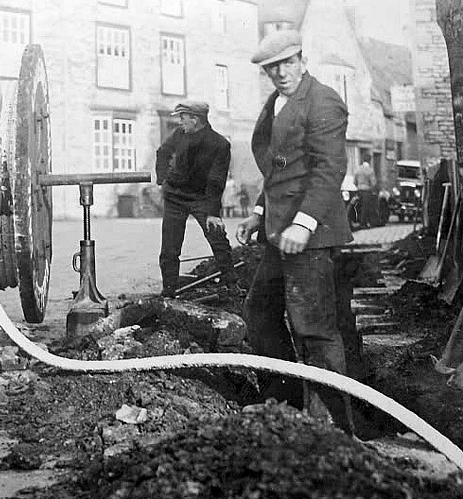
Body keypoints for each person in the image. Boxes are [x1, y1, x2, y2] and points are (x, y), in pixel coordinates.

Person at [236, 29, 354, 433]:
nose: (281, 73)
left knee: (315, 328)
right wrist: (257, 212)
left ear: (302, 59)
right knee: (260, 312)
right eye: (273, 68)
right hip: (279, 231)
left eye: (287, 64)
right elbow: (278, 170)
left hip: (311, 233)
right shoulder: (277, 102)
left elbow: (328, 170)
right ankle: (283, 406)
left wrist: (304, 223)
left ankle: (334, 427)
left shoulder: (323, 100)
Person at [156, 101, 233, 298]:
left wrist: (213, 213)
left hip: (202, 199)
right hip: (175, 197)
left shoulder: (220, 144)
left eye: (182, 117)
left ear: (195, 119)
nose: (180, 121)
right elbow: (162, 153)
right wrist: (162, 179)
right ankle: (169, 291)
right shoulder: (179, 135)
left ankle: (232, 284)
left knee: (217, 237)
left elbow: (217, 180)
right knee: (170, 247)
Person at [353, 154, 377, 227]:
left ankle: (358, 220)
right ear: (370, 160)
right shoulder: (370, 170)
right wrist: (371, 188)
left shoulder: (358, 169)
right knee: (366, 207)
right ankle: (363, 223)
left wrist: (358, 185)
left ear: (363, 160)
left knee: (359, 206)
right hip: (367, 191)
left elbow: (354, 181)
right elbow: (373, 183)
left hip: (359, 190)